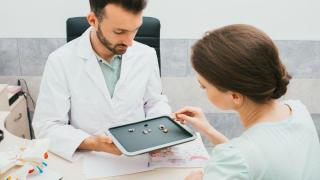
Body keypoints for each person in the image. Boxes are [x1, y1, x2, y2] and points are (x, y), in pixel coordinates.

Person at [174, 24, 320, 180]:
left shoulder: (235, 159)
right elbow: (255, 159)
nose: (203, 90)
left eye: (204, 86)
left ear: (235, 96)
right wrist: (209, 130)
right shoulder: (298, 110)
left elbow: (243, 159)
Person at [32, 0, 171, 161]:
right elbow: (47, 126)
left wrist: (163, 130)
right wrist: (92, 143)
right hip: (89, 158)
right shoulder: (60, 61)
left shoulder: (146, 55)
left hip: (138, 158)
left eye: (135, 30)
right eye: (119, 31)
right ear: (93, 21)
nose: (130, 42)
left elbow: (154, 102)